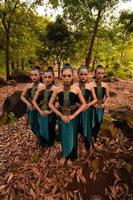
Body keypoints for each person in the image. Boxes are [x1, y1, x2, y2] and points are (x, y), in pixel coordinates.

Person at [49, 64, 86, 161]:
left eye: (69, 76)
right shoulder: (57, 89)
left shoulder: (76, 89)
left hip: (73, 117)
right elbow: (50, 104)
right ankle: (65, 154)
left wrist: (74, 115)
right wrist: (60, 115)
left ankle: (72, 156)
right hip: (62, 117)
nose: (66, 78)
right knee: (63, 135)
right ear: (61, 76)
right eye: (64, 76)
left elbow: (84, 104)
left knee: (72, 136)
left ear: (72, 76)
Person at [32, 67, 57, 147]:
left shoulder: (55, 89)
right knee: (41, 129)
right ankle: (43, 144)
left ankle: (50, 145)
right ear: (42, 78)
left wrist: (50, 112)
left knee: (50, 129)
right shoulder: (40, 88)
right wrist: (40, 111)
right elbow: (34, 101)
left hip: (51, 114)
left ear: (53, 77)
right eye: (45, 77)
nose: (47, 79)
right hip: (41, 113)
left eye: (49, 77)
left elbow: (58, 103)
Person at [77, 65, 97, 150]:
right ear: (78, 75)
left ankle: (87, 143)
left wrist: (88, 105)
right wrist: (78, 105)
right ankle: (78, 142)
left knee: (86, 126)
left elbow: (95, 99)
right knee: (78, 126)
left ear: (88, 75)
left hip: (87, 110)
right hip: (77, 110)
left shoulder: (90, 86)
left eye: (85, 74)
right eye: (81, 74)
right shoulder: (74, 86)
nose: (83, 76)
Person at [21, 66, 43, 136]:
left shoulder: (42, 86)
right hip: (30, 108)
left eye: (35, 75)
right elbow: (22, 96)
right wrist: (28, 103)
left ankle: (40, 138)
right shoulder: (28, 85)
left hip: (39, 108)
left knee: (39, 124)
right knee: (32, 123)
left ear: (40, 76)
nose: (33, 77)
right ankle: (36, 134)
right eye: (32, 75)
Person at [91, 65, 109, 146]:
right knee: (92, 123)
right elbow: (87, 97)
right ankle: (90, 138)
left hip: (101, 107)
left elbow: (108, 97)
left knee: (98, 123)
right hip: (92, 107)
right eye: (98, 73)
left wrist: (104, 104)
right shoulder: (91, 84)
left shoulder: (105, 85)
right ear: (95, 74)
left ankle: (94, 138)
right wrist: (94, 105)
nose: (100, 75)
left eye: (102, 73)